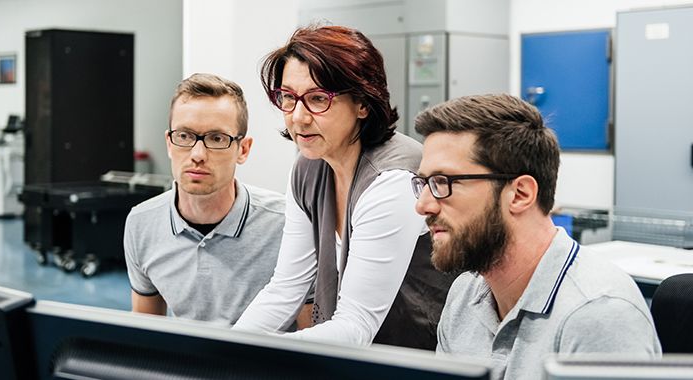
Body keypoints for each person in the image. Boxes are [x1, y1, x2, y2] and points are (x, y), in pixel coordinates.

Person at [233, 25, 455, 349]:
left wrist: (265, 354)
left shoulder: (392, 179)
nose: (298, 117)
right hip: (353, 357)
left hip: (415, 360)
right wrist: (222, 349)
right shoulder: (310, 165)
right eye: (288, 98)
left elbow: (357, 324)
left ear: (362, 103)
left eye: (318, 99)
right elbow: (285, 289)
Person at [412, 94, 661, 379]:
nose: (423, 205)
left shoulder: (598, 314)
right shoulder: (465, 294)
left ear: (520, 194)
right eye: (423, 183)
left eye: (443, 182)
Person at [124, 73, 287, 325]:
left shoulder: (285, 225)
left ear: (243, 149)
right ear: (169, 143)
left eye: (217, 139)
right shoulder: (141, 223)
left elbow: (312, 342)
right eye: (185, 136)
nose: (198, 154)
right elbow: (146, 334)